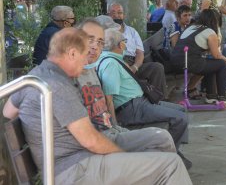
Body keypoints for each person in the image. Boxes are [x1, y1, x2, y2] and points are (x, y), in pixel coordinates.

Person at [3, 28, 192, 184]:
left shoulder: (36, 76)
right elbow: (91, 141)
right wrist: (123, 155)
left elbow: (8, 111)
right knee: (171, 165)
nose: (86, 62)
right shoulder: (58, 86)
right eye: (85, 55)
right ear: (71, 53)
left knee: (160, 152)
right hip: (75, 170)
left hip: (68, 164)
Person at [76, 18, 178, 154]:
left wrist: (114, 127)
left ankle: (174, 159)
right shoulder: (78, 74)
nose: (95, 47)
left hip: (113, 128)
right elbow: (108, 100)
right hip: (111, 132)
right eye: (90, 40)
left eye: (100, 42)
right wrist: (115, 126)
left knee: (168, 134)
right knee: (164, 136)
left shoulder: (90, 70)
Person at [96, 28, 192, 168]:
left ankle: (174, 150)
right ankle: (169, 157)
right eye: (125, 41)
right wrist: (115, 126)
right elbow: (108, 98)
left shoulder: (113, 59)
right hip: (132, 108)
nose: (126, 44)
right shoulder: (110, 64)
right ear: (119, 45)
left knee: (181, 110)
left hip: (140, 102)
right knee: (180, 118)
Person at [170, 9, 226, 105]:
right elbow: (217, 55)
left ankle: (211, 95)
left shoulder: (191, 27)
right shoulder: (209, 32)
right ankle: (222, 96)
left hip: (175, 61)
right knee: (221, 64)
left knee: (211, 63)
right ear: (215, 21)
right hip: (188, 62)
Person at [108, 3, 167, 96]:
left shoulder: (132, 31)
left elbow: (140, 53)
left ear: (124, 15)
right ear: (108, 15)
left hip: (134, 63)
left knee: (157, 67)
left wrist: (135, 67)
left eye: (119, 13)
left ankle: (158, 98)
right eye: (113, 13)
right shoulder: (106, 32)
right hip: (118, 63)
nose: (116, 15)